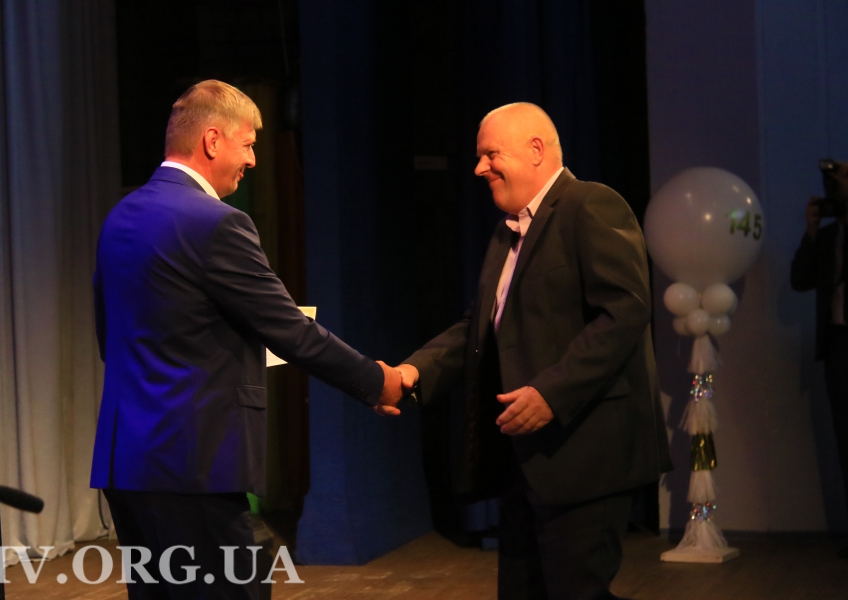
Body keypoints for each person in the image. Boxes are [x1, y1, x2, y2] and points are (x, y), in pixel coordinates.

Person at [90, 80, 403, 599]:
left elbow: (111, 337)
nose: (253, 160)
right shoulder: (217, 224)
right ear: (212, 140)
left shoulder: (120, 216)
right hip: (195, 465)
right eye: (249, 143)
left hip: (127, 463)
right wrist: (376, 381)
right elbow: (290, 329)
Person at [396, 103, 672, 600]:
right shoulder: (507, 231)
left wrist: (551, 393)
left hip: (586, 455)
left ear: (536, 150)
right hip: (525, 463)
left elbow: (625, 312)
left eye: (490, 154)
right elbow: (481, 327)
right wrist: (414, 371)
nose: (479, 168)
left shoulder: (591, 205)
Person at [791, 197, 848, 558]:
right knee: (845, 439)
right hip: (838, 343)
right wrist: (811, 231)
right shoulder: (828, 237)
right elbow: (800, 279)